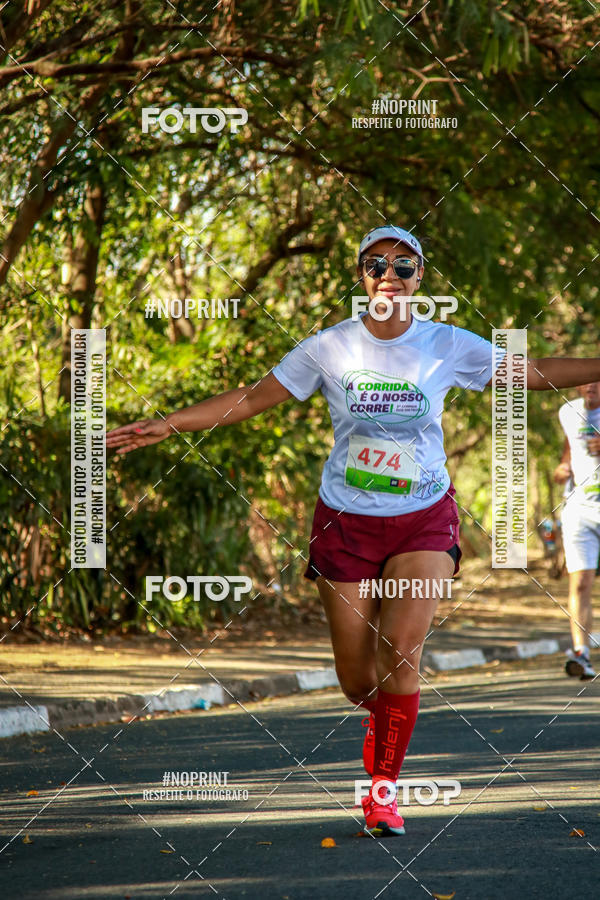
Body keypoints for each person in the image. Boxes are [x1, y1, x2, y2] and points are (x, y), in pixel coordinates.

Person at [107, 224, 600, 837]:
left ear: (420, 277)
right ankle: (387, 715)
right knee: (358, 679)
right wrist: (170, 424)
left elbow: (532, 371)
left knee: (401, 653)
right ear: (362, 276)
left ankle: (382, 791)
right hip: (344, 522)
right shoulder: (330, 347)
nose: (390, 275)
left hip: (423, 519)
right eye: (376, 265)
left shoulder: (446, 343)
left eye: (403, 266)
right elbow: (254, 397)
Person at [553, 382, 600, 679]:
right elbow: (569, 450)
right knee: (580, 583)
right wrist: (562, 468)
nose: (591, 385)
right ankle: (582, 653)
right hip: (579, 509)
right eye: (587, 379)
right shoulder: (568, 412)